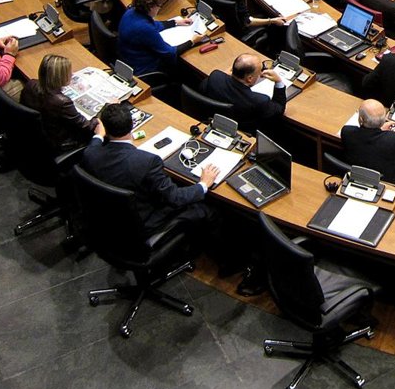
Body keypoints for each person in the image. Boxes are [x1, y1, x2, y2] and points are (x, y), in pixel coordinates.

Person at [83, 101, 262, 294]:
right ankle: (230, 262)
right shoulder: (146, 161)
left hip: (107, 227)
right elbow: (176, 198)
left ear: (105, 128)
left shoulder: (91, 154)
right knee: (207, 209)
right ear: (132, 125)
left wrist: (99, 135)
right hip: (142, 230)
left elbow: (95, 144)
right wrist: (203, 184)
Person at [340, 98, 395, 194]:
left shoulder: (347, 132)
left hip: (358, 180)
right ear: (384, 119)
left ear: (360, 119)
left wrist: (380, 130)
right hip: (390, 187)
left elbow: (368, 137)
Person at [21, 53, 101, 151]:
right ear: (59, 77)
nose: (72, 74)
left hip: (36, 133)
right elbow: (87, 126)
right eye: (68, 72)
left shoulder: (30, 83)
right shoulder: (62, 102)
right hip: (60, 142)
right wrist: (104, 109)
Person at [117, 0, 200, 77]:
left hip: (129, 58)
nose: (160, 8)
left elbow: (154, 25)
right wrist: (192, 41)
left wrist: (175, 22)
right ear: (151, 7)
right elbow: (169, 53)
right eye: (159, 6)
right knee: (185, 67)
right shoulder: (144, 28)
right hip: (143, 68)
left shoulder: (131, 12)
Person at [200, 53, 289, 133]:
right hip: (245, 132)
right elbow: (279, 110)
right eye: (260, 72)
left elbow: (202, 87)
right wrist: (278, 82)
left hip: (212, 121)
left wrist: (225, 76)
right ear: (249, 78)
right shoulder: (260, 100)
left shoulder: (215, 76)